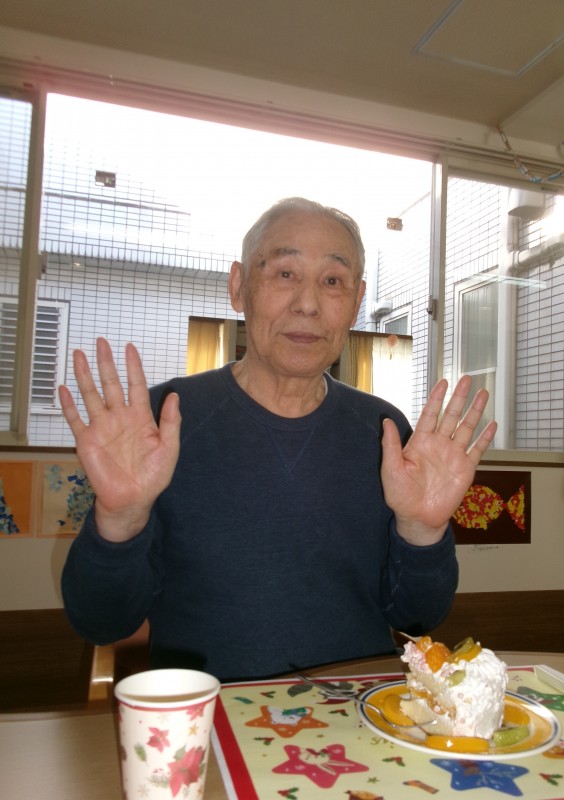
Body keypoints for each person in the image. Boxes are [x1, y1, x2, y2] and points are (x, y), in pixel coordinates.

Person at [60, 197, 496, 681]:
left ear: (356, 302)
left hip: (354, 714)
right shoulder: (164, 421)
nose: (307, 304)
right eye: (285, 273)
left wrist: (422, 532)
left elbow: (417, 618)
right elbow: (101, 622)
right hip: (211, 715)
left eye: (333, 281)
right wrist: (120, 519)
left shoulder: (384, 431)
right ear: (238, 286)